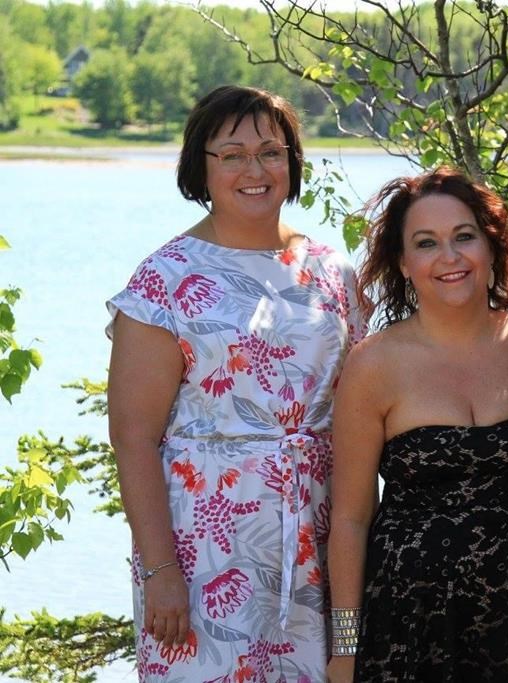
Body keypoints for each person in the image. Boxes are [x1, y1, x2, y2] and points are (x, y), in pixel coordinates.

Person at [107, 85, 366, 681]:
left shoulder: (333, 271)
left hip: (321, 541)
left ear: (293, 164)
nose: (255, 169)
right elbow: (133, 436)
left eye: (271, 152)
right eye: (232, 154)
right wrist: (160, 571)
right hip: (201, 554)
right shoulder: (163, 279)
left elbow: (361, 420)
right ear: (201, 166)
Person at [325, 167, 508, 682]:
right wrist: (344, 649)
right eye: (426, 244)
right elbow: (352, 520)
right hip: (407, 624)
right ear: (403, 264)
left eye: (464, 237)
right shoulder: (373, 364)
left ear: (492, 248)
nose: (449, 258)